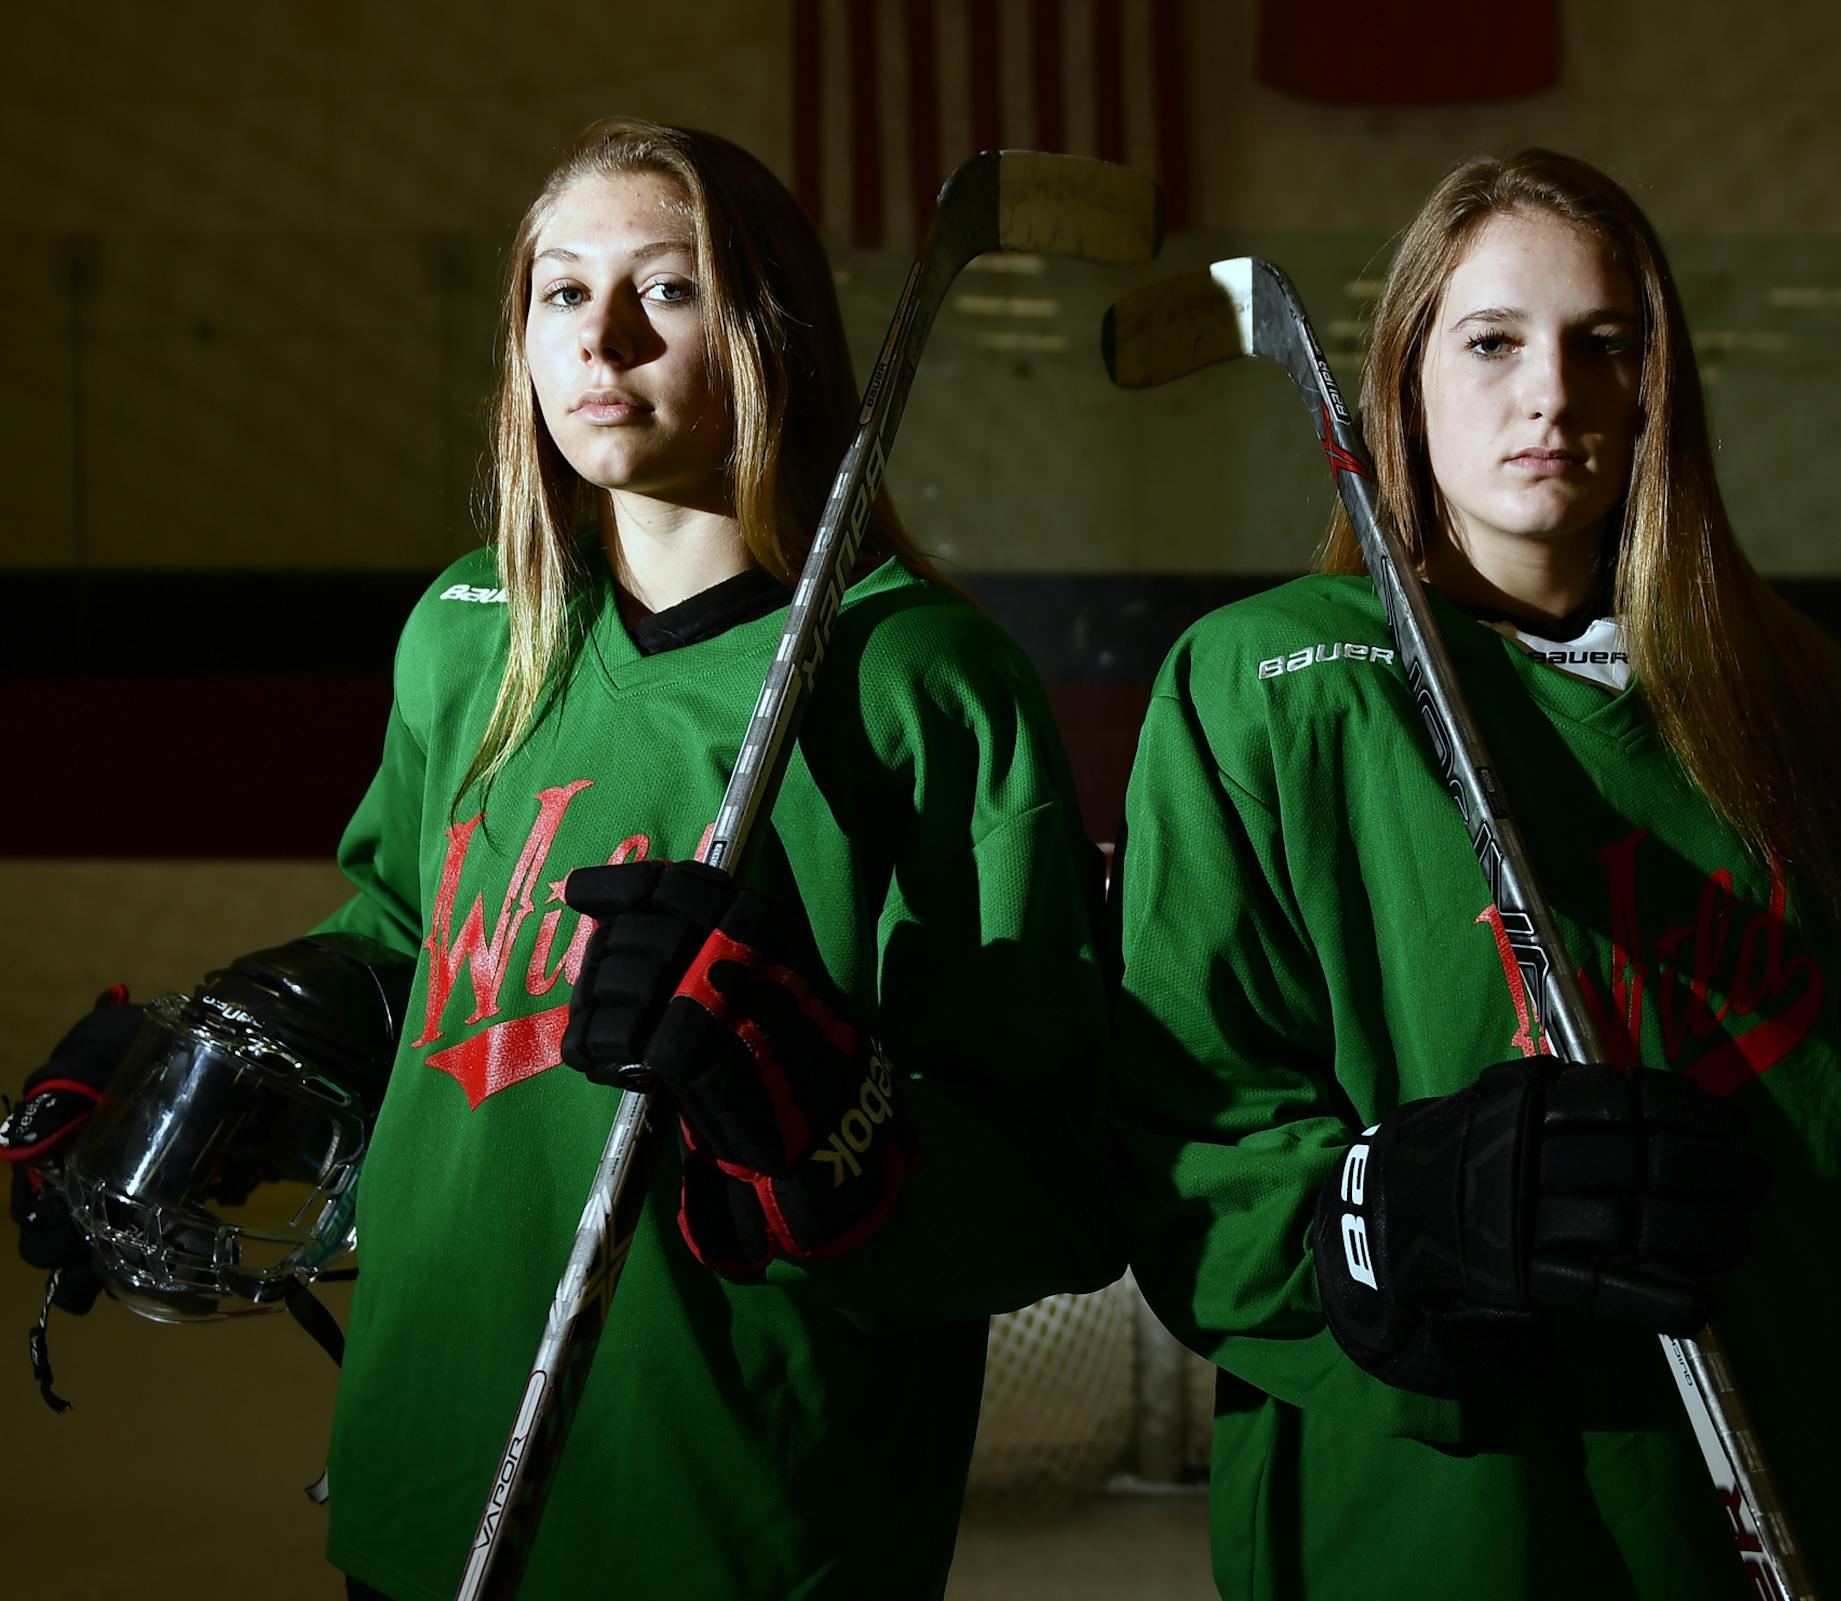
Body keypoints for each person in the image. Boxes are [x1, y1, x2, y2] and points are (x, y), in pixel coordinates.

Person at [7, 118, 1115, 1600]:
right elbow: (410, 935)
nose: (601, 338)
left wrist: (829, 1118)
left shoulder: (925, 683)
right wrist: (241, 1055)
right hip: (431, 1456)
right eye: (558, 291)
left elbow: (1056, 1173)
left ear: (770, 326)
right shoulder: (475, 625)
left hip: (730, 1508)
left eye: (667, 290)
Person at [1109, 149, 1841, 1598]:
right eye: (1491, 343)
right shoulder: (1267, 688)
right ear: (1403, 378)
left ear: (1662, 385)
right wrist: (1390, 1210)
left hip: (1770, 1518)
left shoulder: (1803, 706)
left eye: (1606, 344)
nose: (1552, 393)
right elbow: (1183, 1152)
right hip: (1432, 1529)